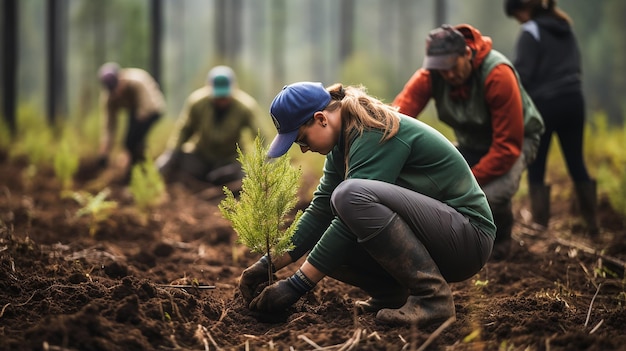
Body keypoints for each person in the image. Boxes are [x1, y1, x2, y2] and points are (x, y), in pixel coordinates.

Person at [238, 81, 496, 327]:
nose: (303, 149)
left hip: (467, 237)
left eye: (301, 139)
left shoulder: (372, 130)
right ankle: (391, 293)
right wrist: (266, 265)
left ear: (321, 119)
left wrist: (296, 285)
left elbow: (350, 211)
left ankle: (433, 298)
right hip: (439, 236)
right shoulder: (342, 142)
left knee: (349, 197)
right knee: (328, 235)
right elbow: (320, 212)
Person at [392, 24, 544, 261]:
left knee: (491, 195)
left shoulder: (498, 74)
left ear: (467, 53)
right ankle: (451, 242)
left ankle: (501, 239)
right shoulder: (431, 75)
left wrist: (466, 179)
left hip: (516, 140)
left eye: (453, 66)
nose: (449, 75)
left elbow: (507, 147)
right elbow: (397, 118)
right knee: (429, 182)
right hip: (471, 141)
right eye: (442, 69)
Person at [505, 0, 598, 235]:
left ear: (522, 10)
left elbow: (522, 75)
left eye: (517, 16)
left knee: (537, 166)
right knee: (576, 162)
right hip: (574, 100)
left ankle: (540, 227)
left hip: (545, 105)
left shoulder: (530, 31)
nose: (519, 21)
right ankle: (593, 225)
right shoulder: (565, 26)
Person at [156, 65, 270, 186]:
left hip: (231, 160)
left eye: (225, 96)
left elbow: (260, 135)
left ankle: (226, 181)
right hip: (201, 156)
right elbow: (184, 130)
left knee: (244, 172)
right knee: (180, 161)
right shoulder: (197, 103)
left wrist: (264, 161)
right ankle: (196, 183)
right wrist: (170, 154)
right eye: (218, 96)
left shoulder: (245, 106)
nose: (221, 100)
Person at [97, 62, 165, 182]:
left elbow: (144, 112)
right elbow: (109, 126)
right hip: (134, 111)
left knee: (132, 142)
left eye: (117, 87)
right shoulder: (109, 98)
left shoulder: (137, 82)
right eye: (112, 91)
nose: (116, 93)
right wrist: (104, 152)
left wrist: (126, 149)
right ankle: (138, 172)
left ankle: (140, 172)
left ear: (121, 78)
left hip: (152, 109)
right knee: (132, 143)